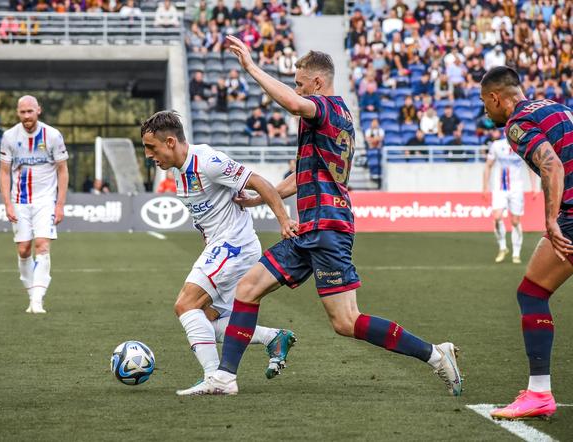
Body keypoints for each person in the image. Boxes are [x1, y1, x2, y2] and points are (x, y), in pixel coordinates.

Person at [182, 40, 462, 396]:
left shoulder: (326, 108)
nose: (297, 89)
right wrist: (256, 199)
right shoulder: (334, 116)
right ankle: (224, 377)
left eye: (300, 83)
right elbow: (303, 173)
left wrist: (251, 68)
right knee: (248, 290)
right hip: (309, 229)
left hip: (328, 227)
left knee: (346, 322)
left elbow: (292, 103)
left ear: (317, 83)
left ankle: (436, 355)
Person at [140, 111, 298, 394]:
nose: (149, 155)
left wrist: (284, 222)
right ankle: (274, 337)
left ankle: (216, 379)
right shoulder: (178, 173)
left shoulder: (208, 161)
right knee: (206, 317)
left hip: (234, 246)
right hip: (220, 247)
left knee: (185, 305)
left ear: (171, 142)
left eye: (152, 148)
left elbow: (259, 182)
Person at [480, 66, 573, 420]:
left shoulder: (516, 124)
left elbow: (552, 166)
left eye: (484, 104)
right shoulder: (554, 107)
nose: (485, 111)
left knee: (532, 293)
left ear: (496, 97)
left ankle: (539, 393)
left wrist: (551, 220)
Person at [0, 95, 69, 314]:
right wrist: (7, 204)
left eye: (30, 111)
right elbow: (3, 172)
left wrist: (60, 204)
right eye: (22, 112)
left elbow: (62, 170)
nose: (27, 116)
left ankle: (37, 300)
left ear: (39, 110)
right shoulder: (9, 137)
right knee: (23, 249)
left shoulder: (53, 135)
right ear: (17, 113)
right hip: (19, 200)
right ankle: (32, 294)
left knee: (42, 244)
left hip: (45, 201)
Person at [483, 129, 536, 264]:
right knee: (496, 217)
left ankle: (516, 253)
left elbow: (531, 166)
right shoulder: (496, 146)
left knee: (515, 221)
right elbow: (488, 166)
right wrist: (485, 187)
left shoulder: (522, 148)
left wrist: (534, 186)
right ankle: (502, 247)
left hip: (516, 189)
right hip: (500, 188)